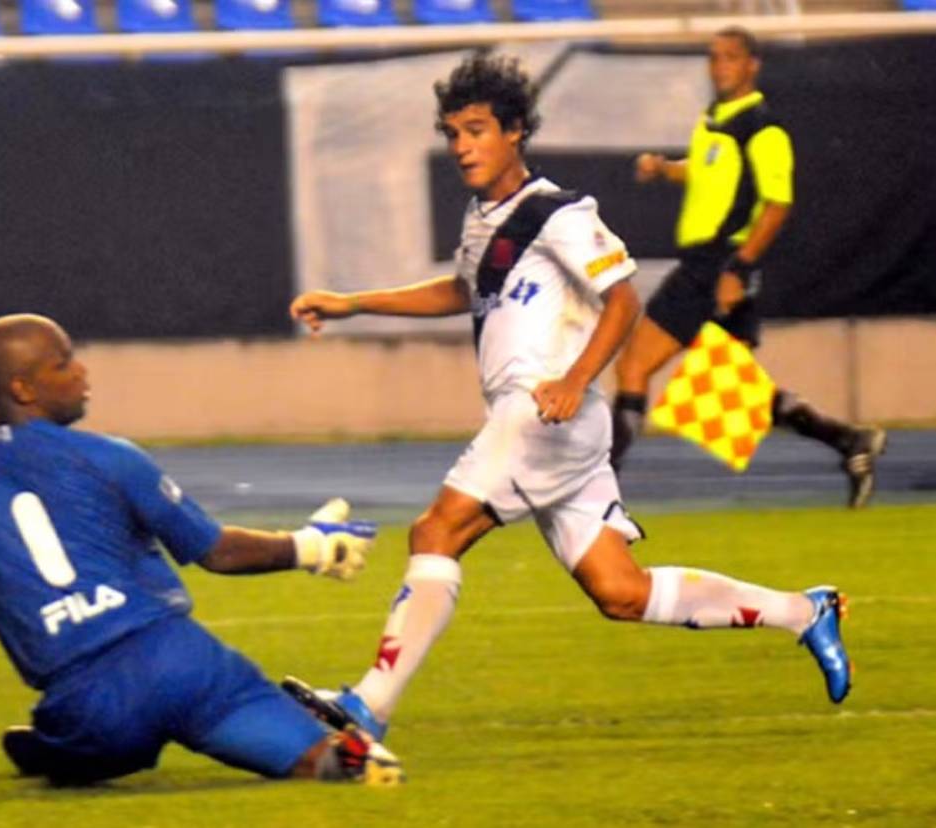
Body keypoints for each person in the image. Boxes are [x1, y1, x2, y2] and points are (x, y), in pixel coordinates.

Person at [283, 52, 852, 742]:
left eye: (475, 130)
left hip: (545, 411)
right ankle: (803, 611)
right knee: (621, 591)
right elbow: (463, 291)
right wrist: (350, 303)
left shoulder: (555, 213)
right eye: (452, 133)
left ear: (514, 130)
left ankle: (368, 705)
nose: (461, 146)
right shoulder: (483, 216)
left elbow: (621, 301)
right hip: (552, 421)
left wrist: (574, 378)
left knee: (436, 531)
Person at [0, 313, 403, 788]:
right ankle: (350, 755)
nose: (82, 373)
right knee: (317, 761)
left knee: (79, 756)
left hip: (90, 700)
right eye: (63, 363)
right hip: (184, 662)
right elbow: (216, 552)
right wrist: (308, 548)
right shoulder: (112, 456)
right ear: (22, 387)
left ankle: (55, 749)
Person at [611, 26, 886, 508]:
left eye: (730, 58)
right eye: (714, 58)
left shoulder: (763, 128)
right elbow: (704, 169)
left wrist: (739, 267)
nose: (719, 66)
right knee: (728, 386)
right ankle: (849, 442)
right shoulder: (716, 120)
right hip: (706, 263)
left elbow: (777, 204)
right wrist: (664, 167)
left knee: (636, 366)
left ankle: (598, 490)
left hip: (719, 264)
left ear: (752, 64)